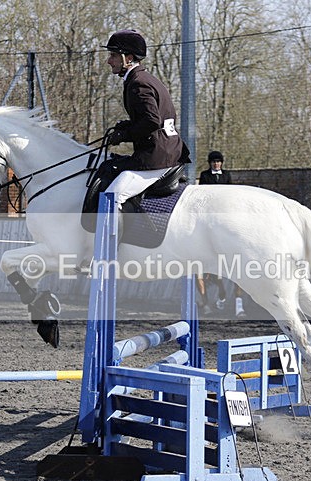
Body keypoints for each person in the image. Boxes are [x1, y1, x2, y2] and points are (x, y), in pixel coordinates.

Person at [102, 29, 191, 208]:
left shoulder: (138, 82)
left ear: (128, 58)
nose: (109, 61)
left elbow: (151, 121)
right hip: (168, 150)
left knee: (111, 197)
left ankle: (113, 237)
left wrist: (124, 135)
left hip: (157, 156)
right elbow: (153, 117)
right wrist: (125, 126)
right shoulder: (145, 78)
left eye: (113, 55)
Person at [196, 151, 246, 317]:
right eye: (214, 162)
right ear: (210, 163)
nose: (216, 164)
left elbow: (229, 193)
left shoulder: (226, 175)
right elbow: (203, 195)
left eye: (219, 162)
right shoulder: (204, 175)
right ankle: (204, 302)